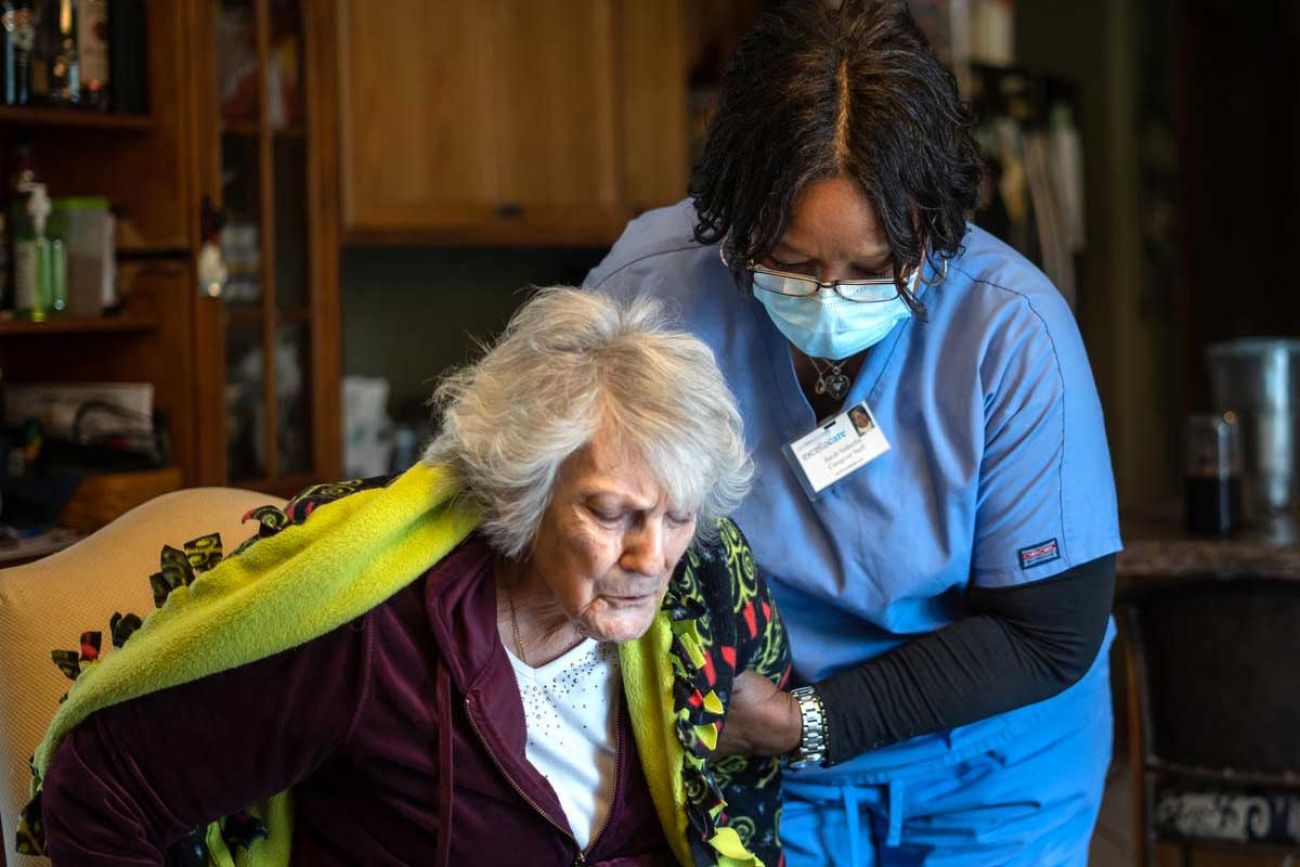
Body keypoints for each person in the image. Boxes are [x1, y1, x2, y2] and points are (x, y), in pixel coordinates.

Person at [587, 2, 1120, 864]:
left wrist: (809, 720)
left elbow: (1048, 631)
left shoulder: (1011, 330)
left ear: (932, 229)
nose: (829, 297)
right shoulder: (651, 296)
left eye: (873, 268)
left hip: (991, 758)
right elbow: (555, 505)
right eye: (791, 263)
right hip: (755, 753)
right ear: (730, 215)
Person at [32, 289, 790, 867]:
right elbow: (100, 791)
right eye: (611, 513)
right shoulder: (373, 635)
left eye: (678, 517)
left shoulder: (692, 623)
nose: (652, 557)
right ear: (524, 489)